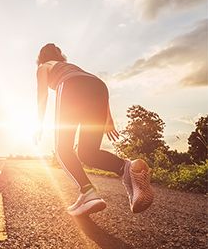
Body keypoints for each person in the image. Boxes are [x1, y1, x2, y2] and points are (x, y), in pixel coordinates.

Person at [35, 43, 153, 216]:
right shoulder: (70, 66)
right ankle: (128, 167)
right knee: (88, 152)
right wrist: (108, 119)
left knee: (62, 149)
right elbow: (91, 83)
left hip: (71, 86)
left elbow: (42, 95)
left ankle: (88, 192)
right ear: (59, 55)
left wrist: (38, 123)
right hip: (99, 87)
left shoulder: (43, 67)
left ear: (42, 57)